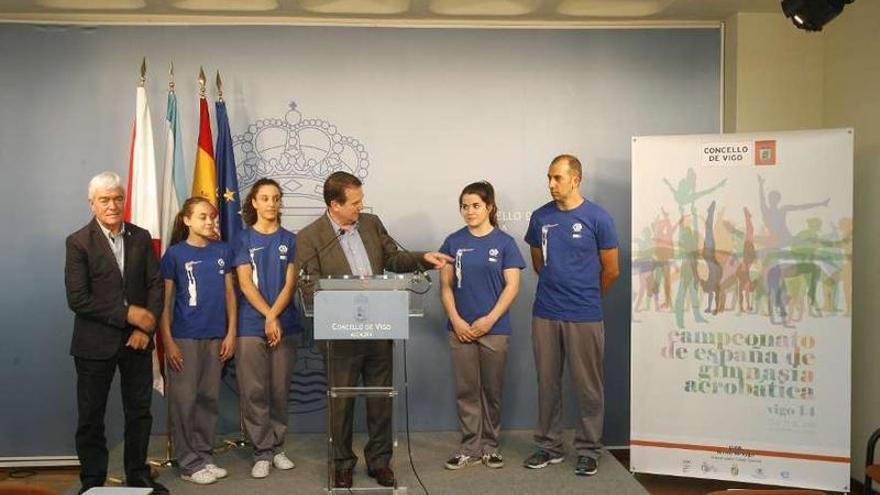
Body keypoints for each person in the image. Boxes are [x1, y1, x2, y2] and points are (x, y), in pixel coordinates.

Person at [294, 171, 452, 489]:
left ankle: (379, 462)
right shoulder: (310, 236)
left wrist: (423, 257)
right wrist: (334, 305)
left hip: (381, 324)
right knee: (342, 402)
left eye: (361, 200)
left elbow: (393, 258)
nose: (360, 207)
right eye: (354, 203)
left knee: (381, 400)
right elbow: (307, 286)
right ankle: (341, 463)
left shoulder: (371, 223)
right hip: (339, 333)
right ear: (334, 204)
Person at [64, 171, 168, 495]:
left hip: (138, 342)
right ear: (92, 203)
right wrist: (128, 313)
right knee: (91, 418)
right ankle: (92, 482)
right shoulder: (78, 242)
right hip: (94, 345)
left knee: (139, 413)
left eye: (117, 198)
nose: (112, 205)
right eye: (105, 199)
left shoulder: (140, 236)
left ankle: (137, 476)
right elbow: (78, 299)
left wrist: (143, 328)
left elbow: (155, 284)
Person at [522, 154, 620, 477]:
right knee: (547, 383)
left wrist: (586, 296)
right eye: (548, 178)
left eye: (557, 178)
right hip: (546, 313)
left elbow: (611, 270)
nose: (551, 184)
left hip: (585, 314)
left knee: (588, 386)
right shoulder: (539, 218)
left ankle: (589, 449)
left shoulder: (598, 218)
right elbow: (538, 262)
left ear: (575, 179)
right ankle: (548, 445)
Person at [438, 181, 525, 470]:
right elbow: (446, 287)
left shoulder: (505, 243)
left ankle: (490, 446)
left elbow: (512, 286)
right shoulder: (453, 242)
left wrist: (489, 320)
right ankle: (469, 447)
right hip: (460, 330)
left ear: (489, 207)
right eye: (464, 206)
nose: (469, 211)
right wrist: (456, 320)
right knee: (466, 391)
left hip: (495, 330)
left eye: (475, 205)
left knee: (492, 390)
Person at [159, 197, 237, 485]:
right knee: (185, 401)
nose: (209, 222)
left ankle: (204, 456)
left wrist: (230, 333)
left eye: (212, 217)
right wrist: (168, 341)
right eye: (203, 217)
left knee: (208, 399)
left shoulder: (222, 251)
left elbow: (230, 295)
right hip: (185, 337)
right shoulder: (175, 255)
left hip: (216, 336)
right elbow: (164, 303)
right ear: (187, 220)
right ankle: (188, 463)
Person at [233, 178, 302, 479]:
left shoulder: (290, 239)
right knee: (254, 390)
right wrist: (267, 316)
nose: (271, 203)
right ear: (254, 203)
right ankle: (261, 451)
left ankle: (278, 447)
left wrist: (274, 317)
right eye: (265, 198)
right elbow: (245, 283)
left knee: (278, 389)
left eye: (276, 198)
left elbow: (290, 283)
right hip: (250, 325)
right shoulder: (242, 239)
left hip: (284, 324)